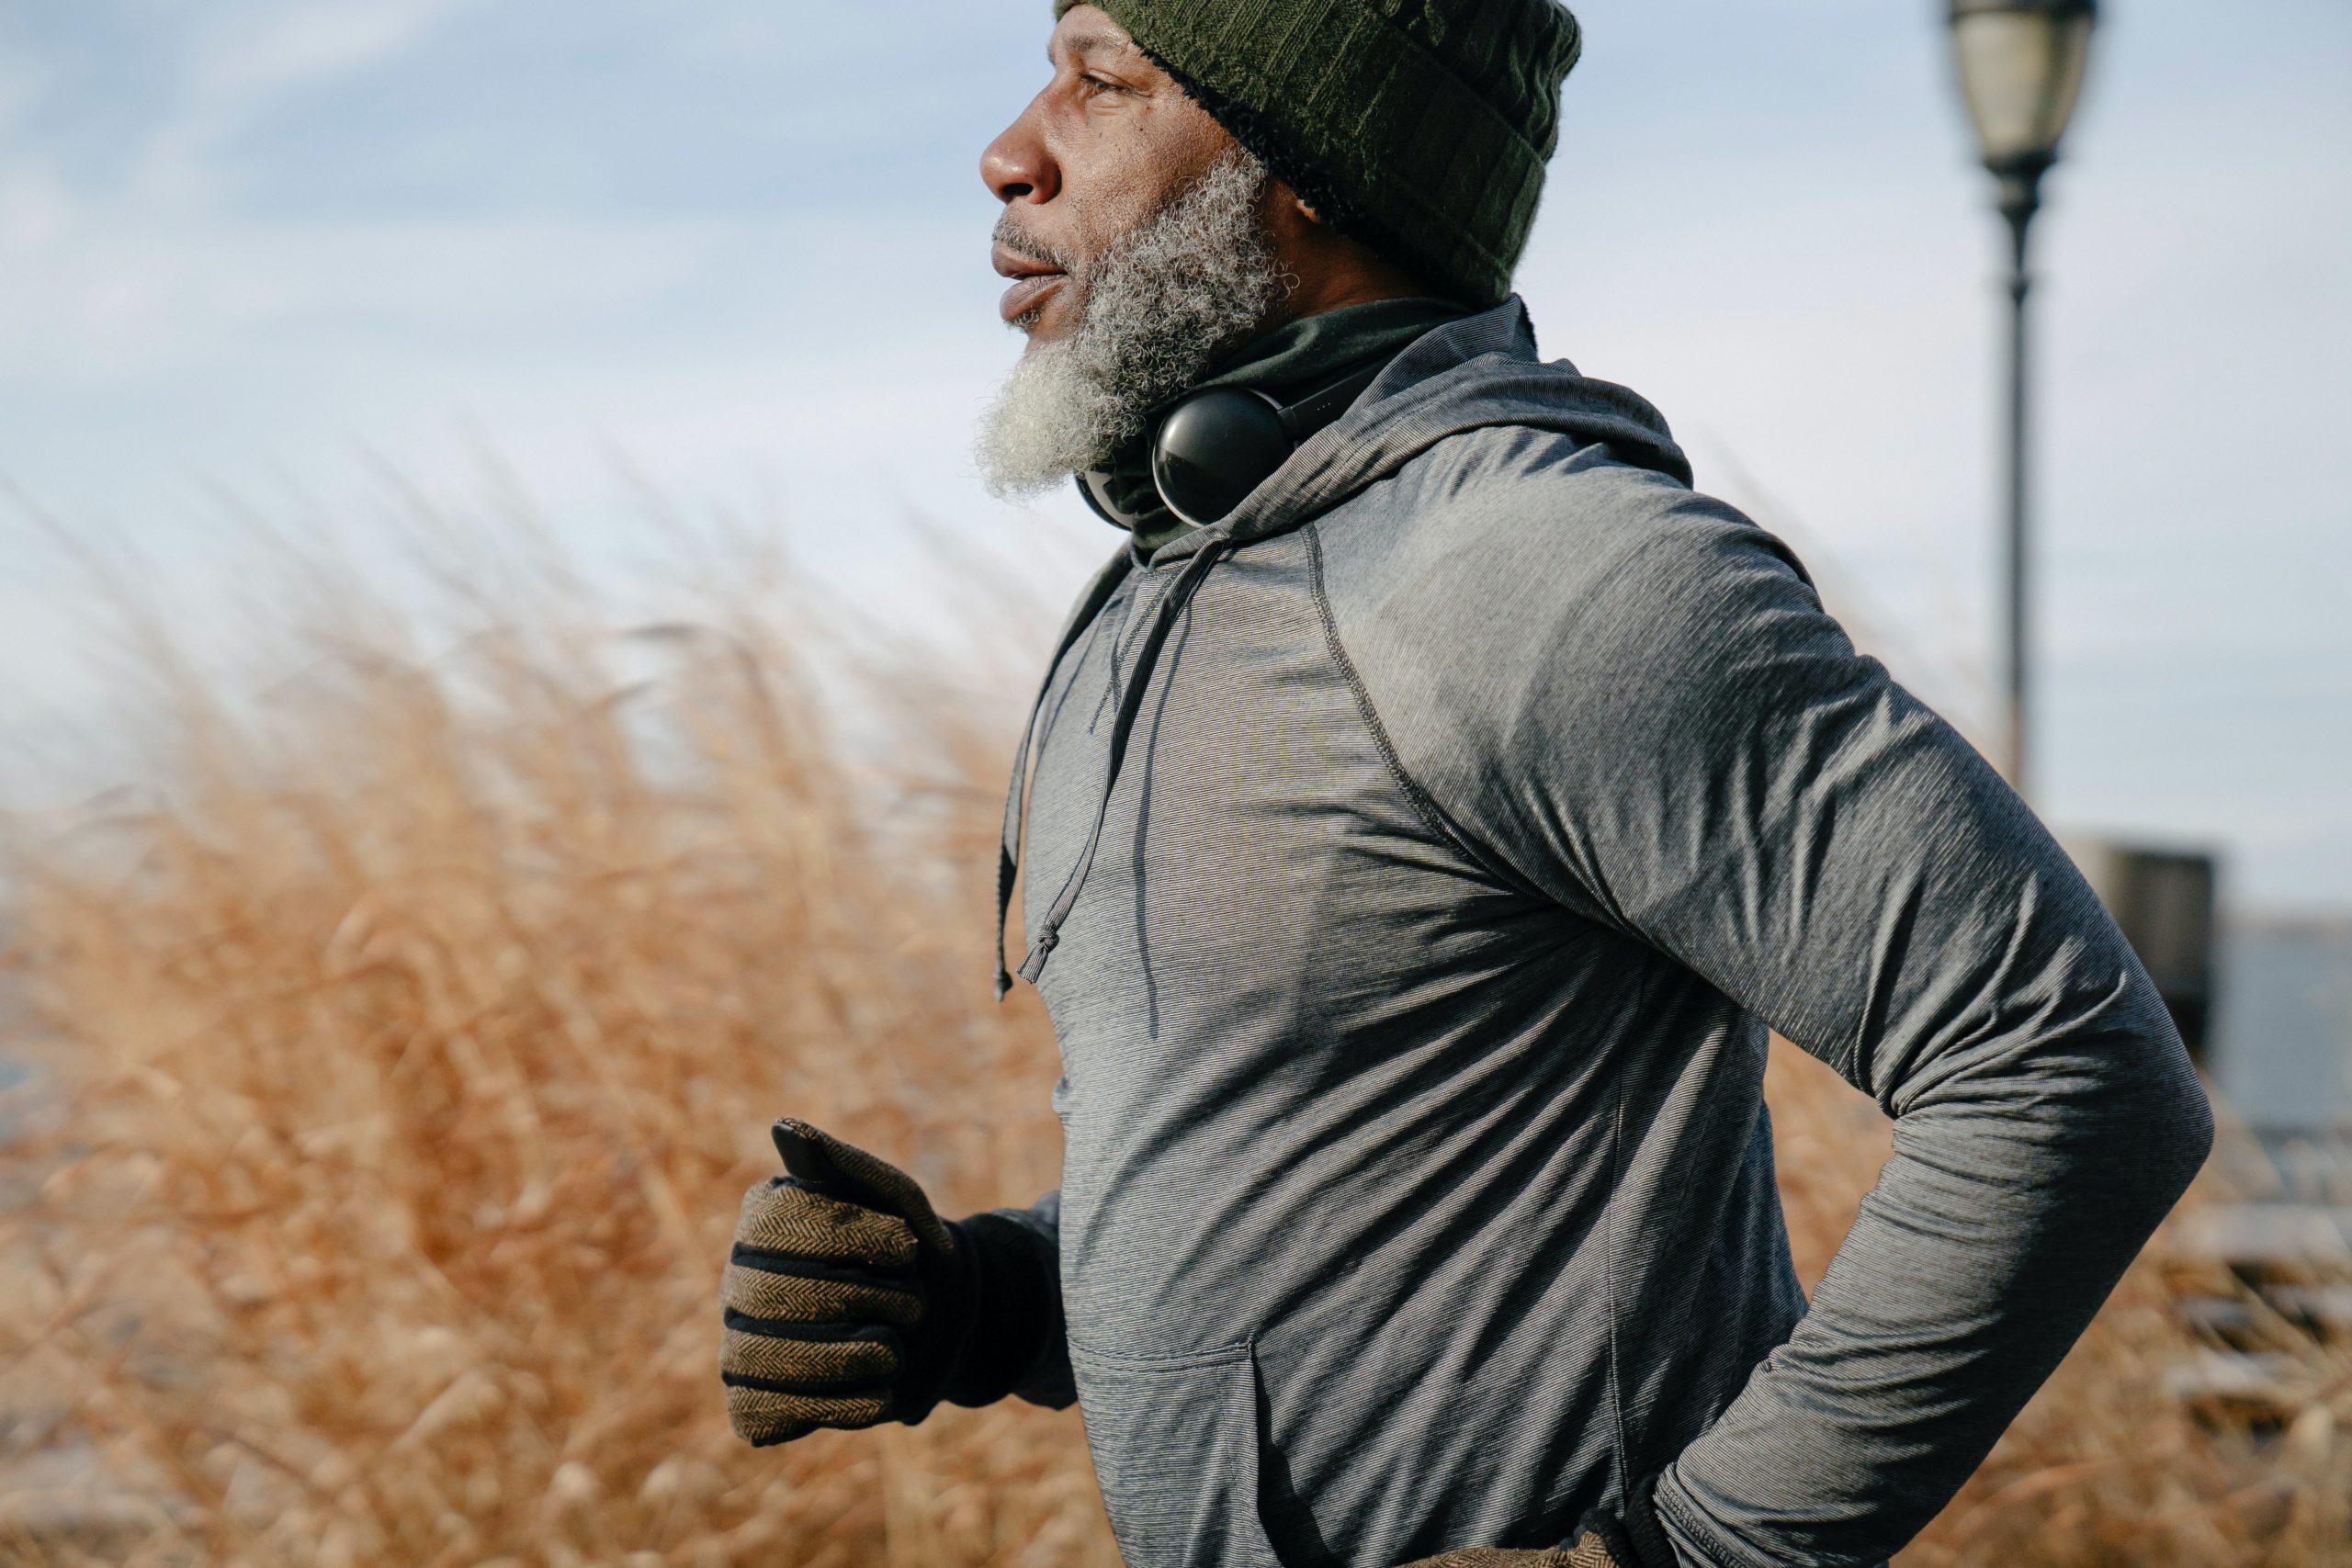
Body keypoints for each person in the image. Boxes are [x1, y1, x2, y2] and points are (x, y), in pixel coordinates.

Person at [717, 4, 2216, 1565]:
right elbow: (1319, 1201)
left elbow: (2070, 1068)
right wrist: (986, 1301)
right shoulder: (1180, 582)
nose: (1010, 152)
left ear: (1313, 168)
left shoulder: (1549, 571)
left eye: (1102, 79)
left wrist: (1697, 1552)